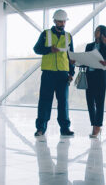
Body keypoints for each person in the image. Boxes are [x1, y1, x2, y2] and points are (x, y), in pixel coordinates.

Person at [33, 9, 75, 137]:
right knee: (45, 101)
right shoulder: (46, 34)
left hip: (63, 73)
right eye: (60, 21)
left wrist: (71, 72)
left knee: (63, 102)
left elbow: (70, 55)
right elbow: (36, 49)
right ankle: (41, 128)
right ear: (55, 21)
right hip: (48, 73)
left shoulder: (68, 36)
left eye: (64, 21)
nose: (62, 24)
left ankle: (65, 128)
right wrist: (49, 49)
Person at [85, 25, 106, 138]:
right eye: (95, 30)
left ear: (103, 34)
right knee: (90, 103)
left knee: (99, 103)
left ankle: (97, 126)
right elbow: (85, 60)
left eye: (98, 31)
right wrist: (76, 61)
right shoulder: (89, 46)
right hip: (89, 77)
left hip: (100, 78)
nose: (95, 32)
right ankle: (94, 124)